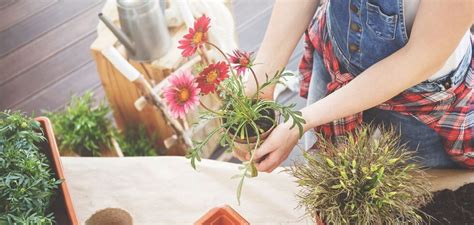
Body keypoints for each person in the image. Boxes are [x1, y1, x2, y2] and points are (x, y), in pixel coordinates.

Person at [233, 0, 473, 172]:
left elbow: (420, 57)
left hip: (419, 99)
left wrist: (302, 122)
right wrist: (261, 79)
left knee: (419, 201)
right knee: (331, 185)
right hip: (338, 59)